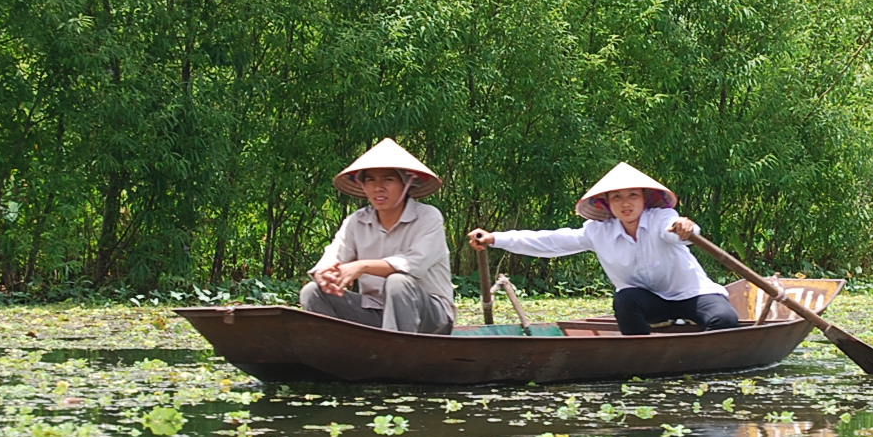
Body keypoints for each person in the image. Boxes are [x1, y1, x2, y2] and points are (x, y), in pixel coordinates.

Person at [466, 161, 737, 335]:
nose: (625, 203)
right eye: (616, 197)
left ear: (644, 199)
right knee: (625, 299)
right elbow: (550, 241)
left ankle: (704, 353)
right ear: (607, 204)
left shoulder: (661, 219)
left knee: (724, 320)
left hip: (691, 295)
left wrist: (687, 228)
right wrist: (495, 239)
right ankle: (642, 356)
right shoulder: (598, 231)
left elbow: (679, 231)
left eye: (632, 195)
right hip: (650, 304)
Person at [300, 138, 455, 334]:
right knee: (313, 292)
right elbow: (332, 257)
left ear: (406, 183)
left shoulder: (428, 217)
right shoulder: (357, 221)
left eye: (388, 179)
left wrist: (361, 266)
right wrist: (326, 275)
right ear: (363, 186)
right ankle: (334, 358)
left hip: (429, 316)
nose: (378, 187)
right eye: (370, 180)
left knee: (398, 283)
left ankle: (397, 355)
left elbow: (413, 265)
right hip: (375, 313)